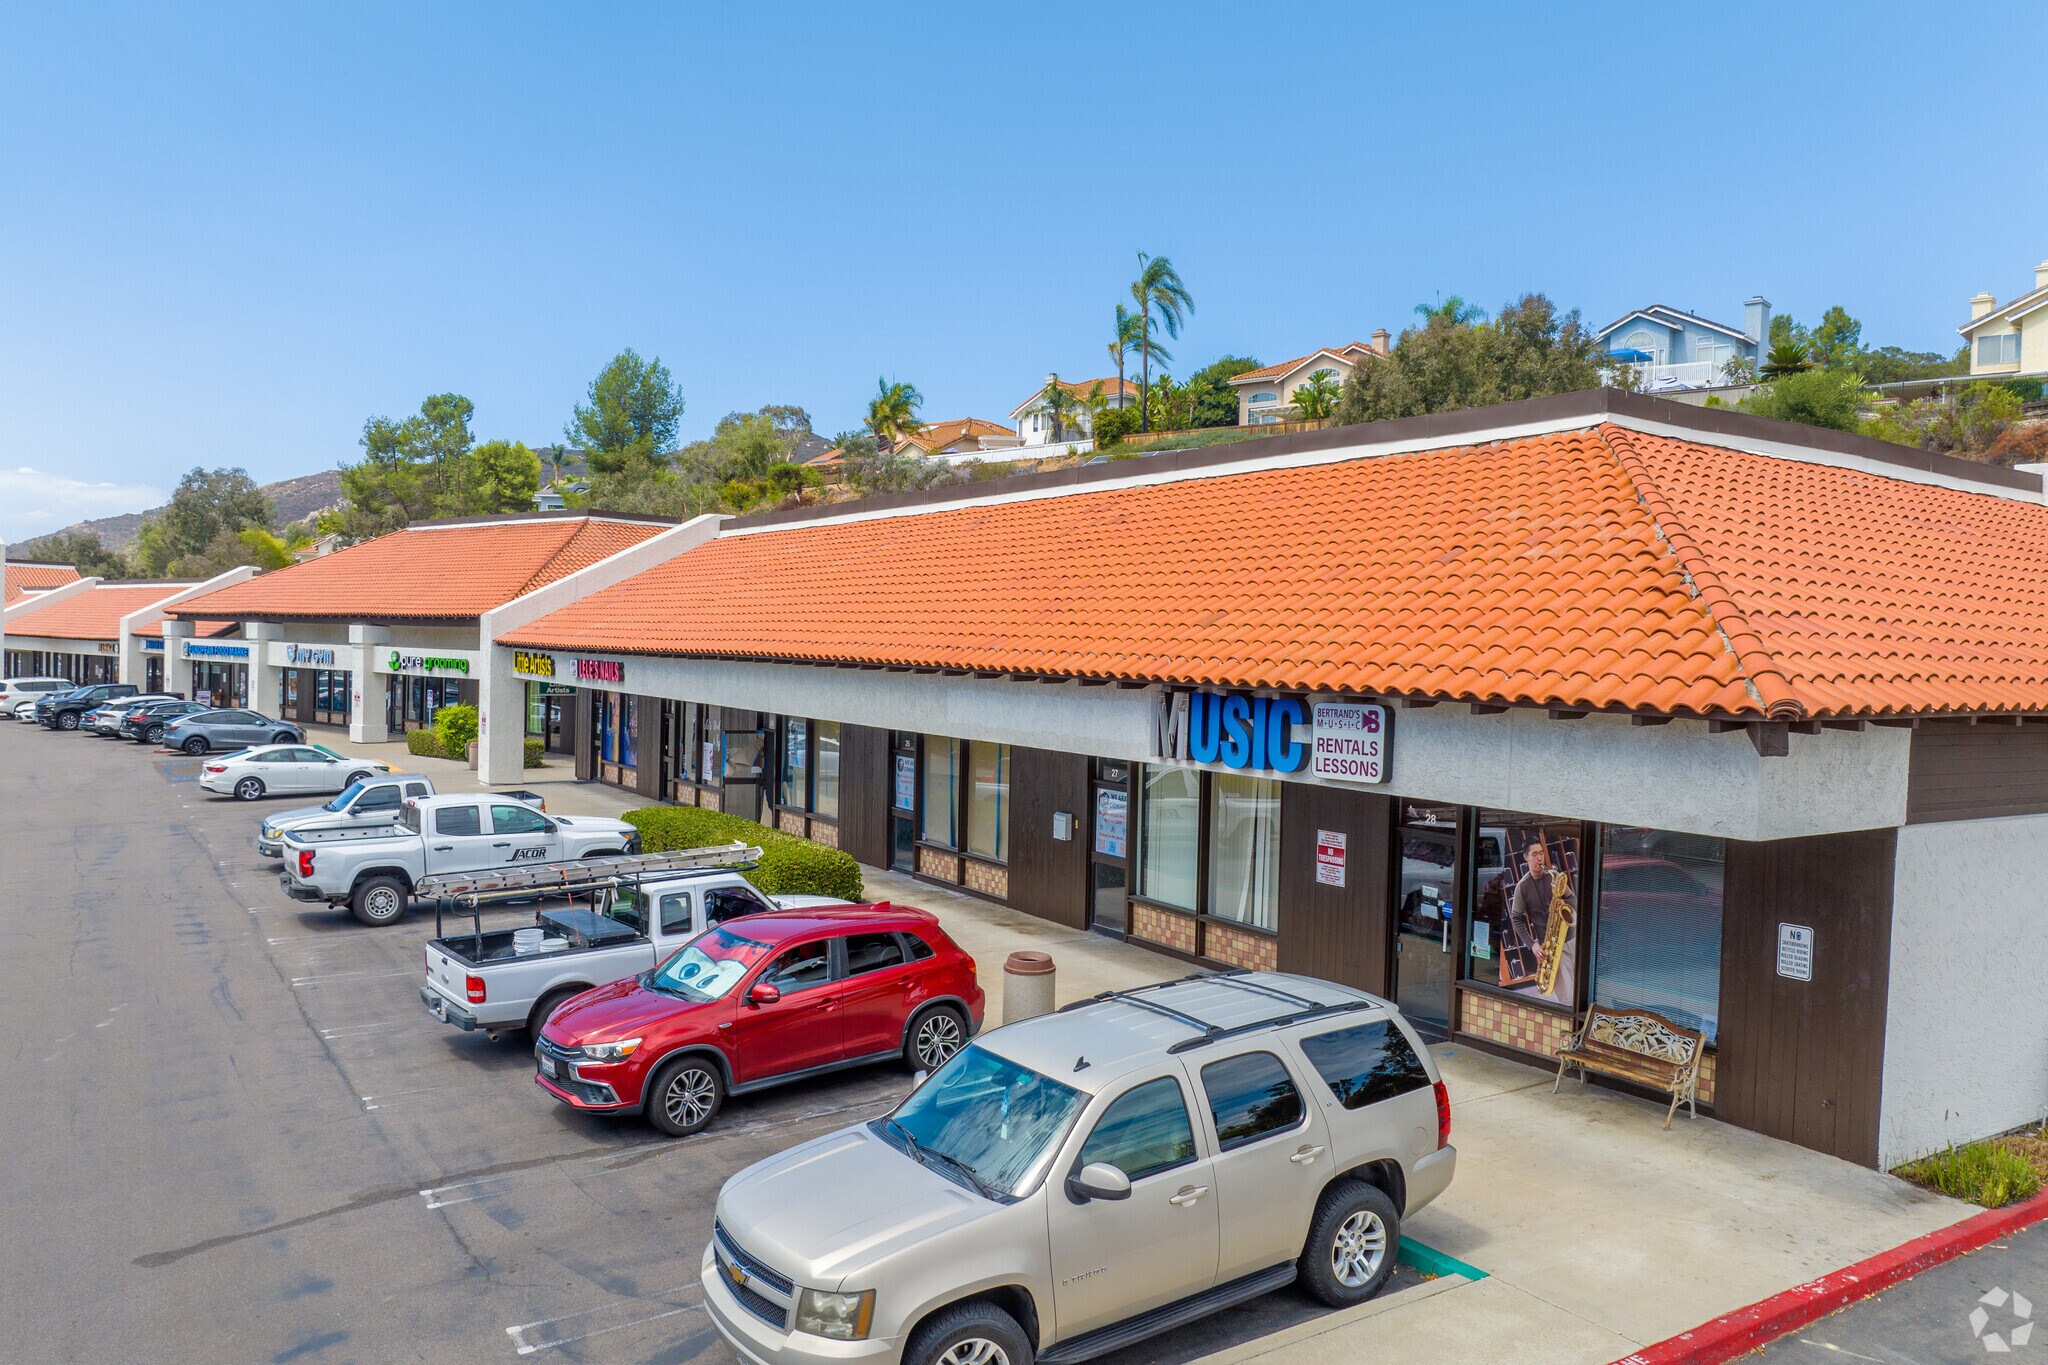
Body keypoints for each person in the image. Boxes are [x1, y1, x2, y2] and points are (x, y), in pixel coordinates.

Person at [1507, 839, 1576, 1004]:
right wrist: (1532, 945)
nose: (1540, 858)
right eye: (1534, 854)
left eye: (1541, 853)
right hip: (1551, 945)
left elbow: (1572, 899)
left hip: (1572, 938)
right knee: (1567, 997)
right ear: (1526, 857)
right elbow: (1516, 918)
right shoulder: (1522, 887)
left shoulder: (1555, 877)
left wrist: (1564, 904)